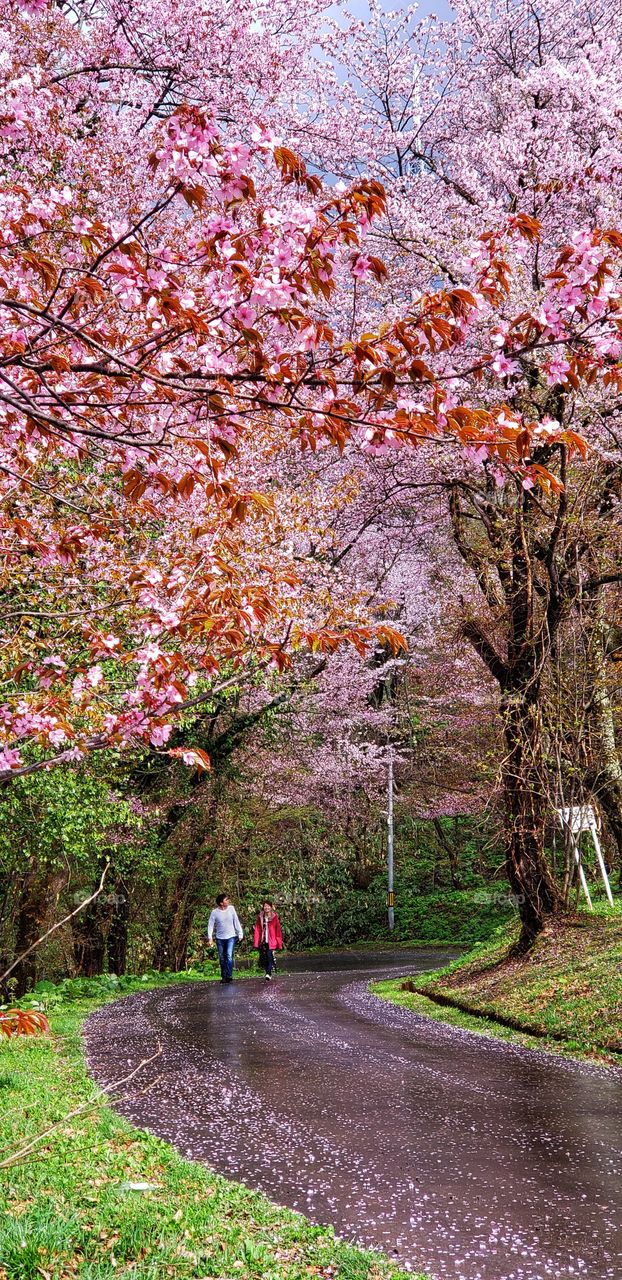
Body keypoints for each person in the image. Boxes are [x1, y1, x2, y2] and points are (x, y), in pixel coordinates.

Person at [207, 893, 244, 983]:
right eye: (226, 900)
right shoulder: (214, 912)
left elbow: (236, 920)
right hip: (220, 938)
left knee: (229, 956)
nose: (228, 901)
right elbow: (210, 925)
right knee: (222, 957)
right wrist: (210, 937)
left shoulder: (231, 909)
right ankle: (224, 976)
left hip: (231, 936)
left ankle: (229, 975)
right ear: (221, 903)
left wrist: (240, 933)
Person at [253, 899, 283, 980]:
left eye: (268, 906)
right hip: (263, 940)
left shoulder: (274, 917)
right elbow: (257, 929)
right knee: (264, 957)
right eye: (265, 906)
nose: (266, 908)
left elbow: (278, 930)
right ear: (263, 907)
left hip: (272, 940)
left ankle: (268, 973)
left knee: (269, 956)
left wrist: (278, 941)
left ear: (271, 907)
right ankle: (267, 972)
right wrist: (256, 940)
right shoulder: (260, 917)